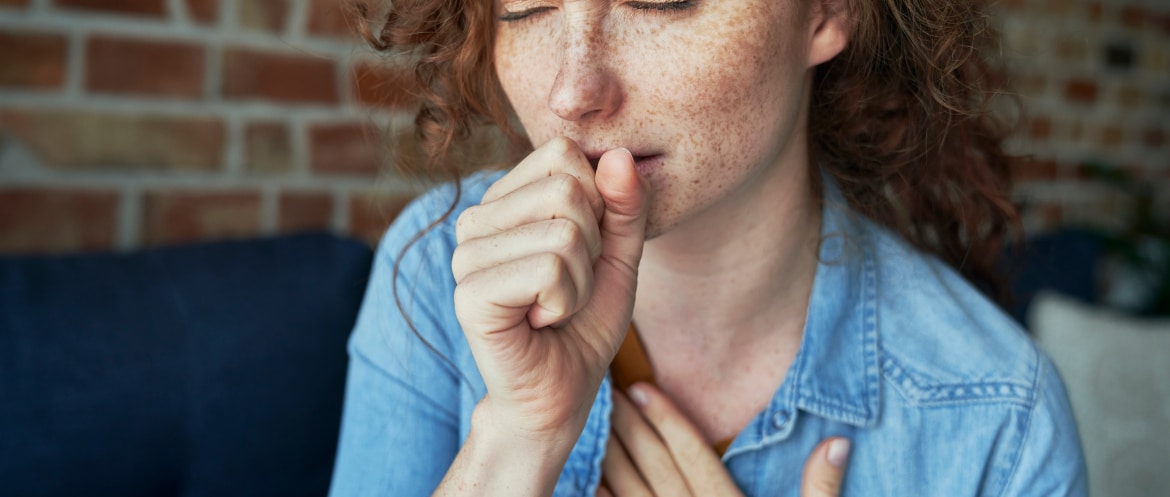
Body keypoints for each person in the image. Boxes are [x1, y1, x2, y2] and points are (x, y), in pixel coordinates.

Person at [329, 0, 1088, 495]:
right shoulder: (436, 269)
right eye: (523, 6)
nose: (572, 90)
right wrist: (516, 439)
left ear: (830, 11)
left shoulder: (999, 417)